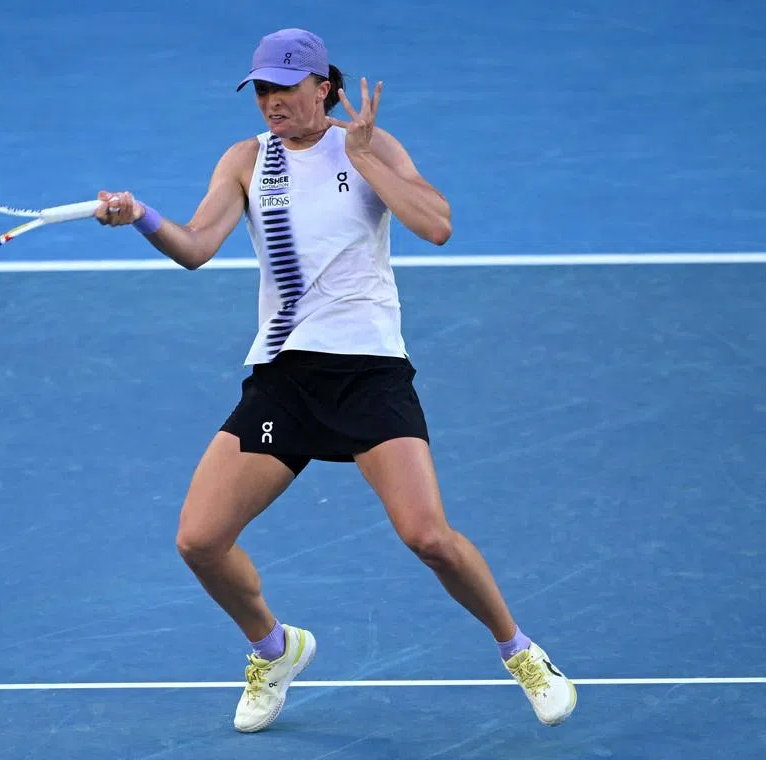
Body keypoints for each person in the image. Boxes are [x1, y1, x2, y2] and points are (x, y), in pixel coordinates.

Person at [94, 28, 577, 734]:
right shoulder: (245, 159)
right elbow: (196, 247)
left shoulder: (369, 145)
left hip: (368, 373)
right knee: (200, 540)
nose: (271, 101)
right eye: (261, 89)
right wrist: (142, 217)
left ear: (323, 87)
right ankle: (275, 648)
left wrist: (366, 157)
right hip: (285, 378)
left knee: (428, 537)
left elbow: (437, 225)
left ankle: (521, 651)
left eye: (285, 88)